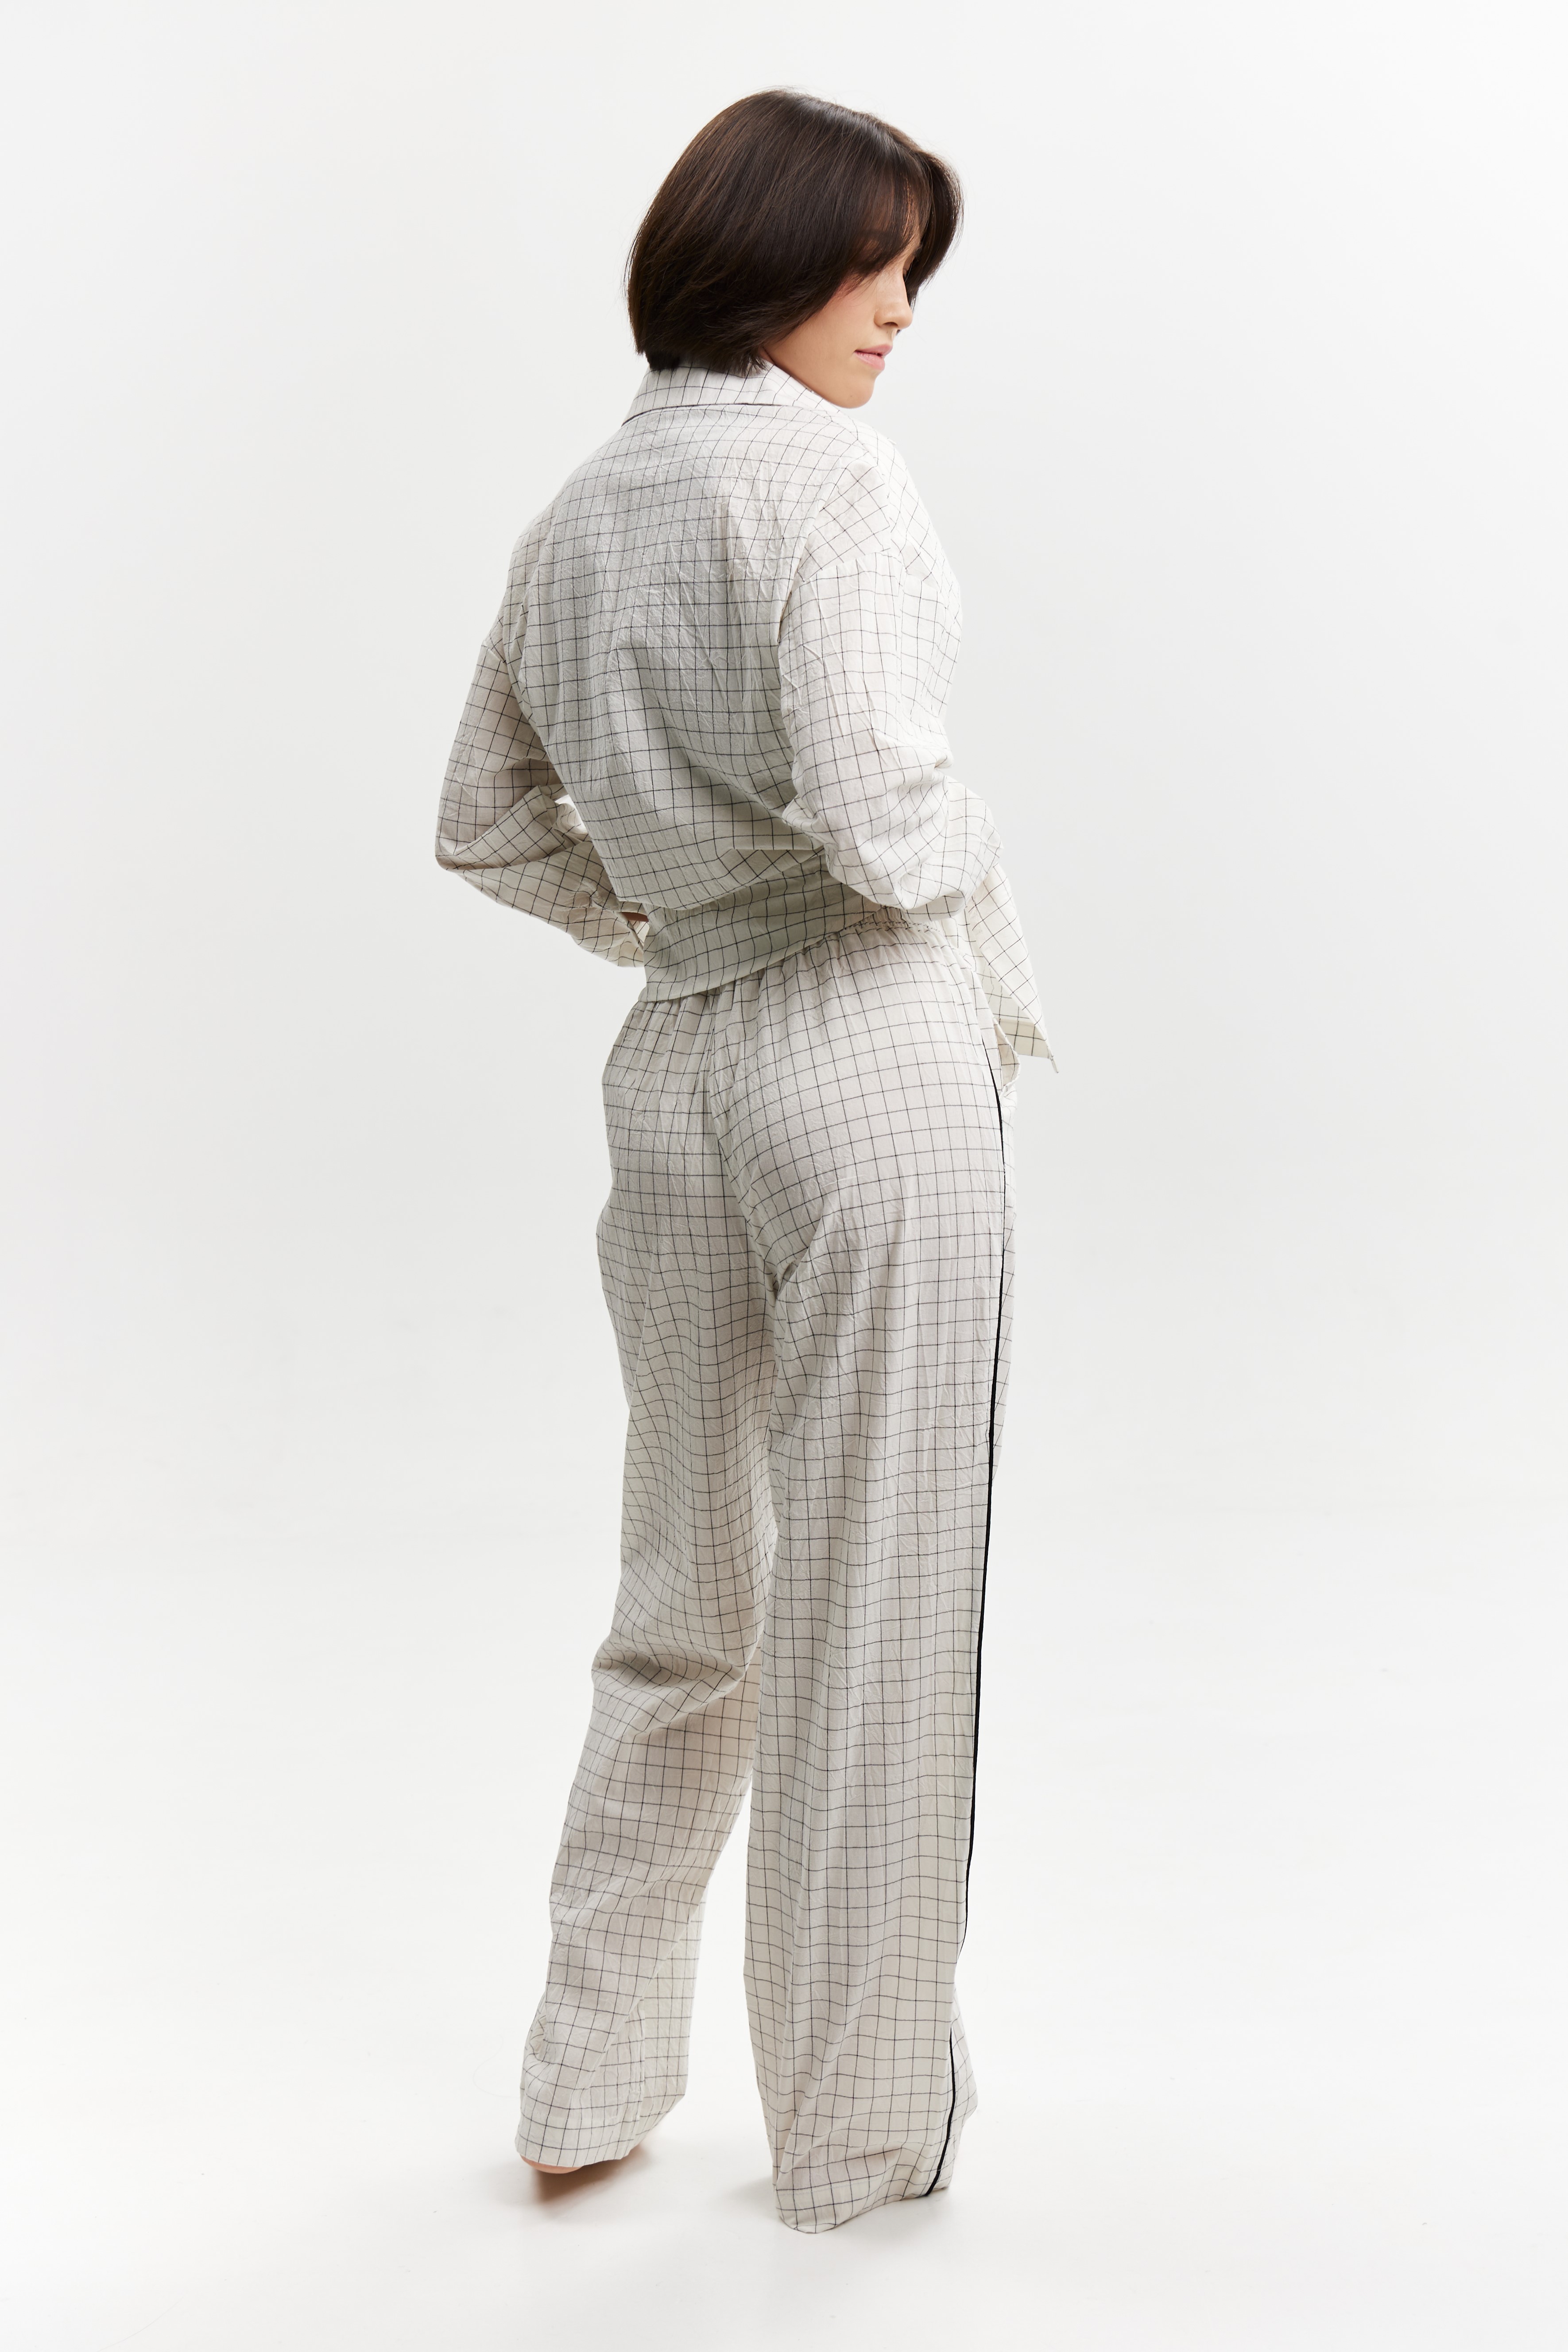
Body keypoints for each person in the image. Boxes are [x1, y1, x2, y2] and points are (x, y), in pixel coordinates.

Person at [434, 88, 1052, 2235]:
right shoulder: (833, 483)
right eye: (870, 263)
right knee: (880, 1600)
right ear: (760, 257)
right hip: (862, 1048)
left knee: (686, 1582)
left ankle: (586, 2081)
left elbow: (482, 819)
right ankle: (856, 2137)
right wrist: (965, 848)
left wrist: (670, 916)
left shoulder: (580, 509)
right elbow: (882, 819)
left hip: (676, 1066)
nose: (899, 309)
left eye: (913, 271)